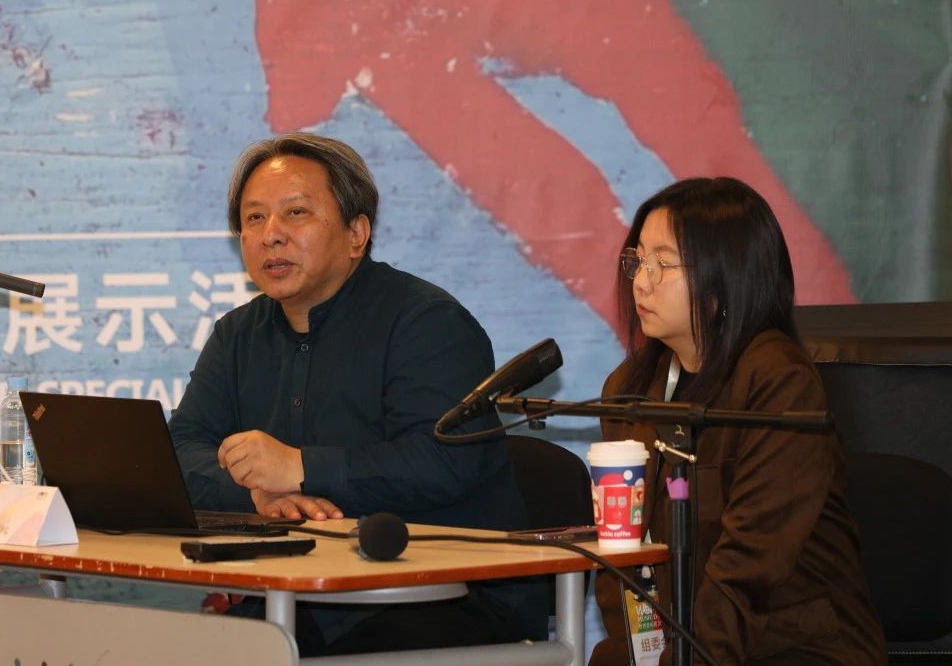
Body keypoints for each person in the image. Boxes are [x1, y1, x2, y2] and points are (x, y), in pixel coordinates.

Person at [169, 132, 548, 655]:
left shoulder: (428, 323)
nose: (271, 235)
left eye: (295, 213)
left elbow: (444, 460)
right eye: (254, 218)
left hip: (443, 597)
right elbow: (180, 447)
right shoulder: (237, 335)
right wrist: (257, 496)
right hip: (302, 592)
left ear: (356, 234)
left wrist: (301, 466)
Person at [589, 177, 885, 665]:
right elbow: (620, 552)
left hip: (792, 646)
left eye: (663, 263)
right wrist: (640, 654)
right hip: (678, 648)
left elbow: (750, 566)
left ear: (726, 274)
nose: (641, 280)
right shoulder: (629, 389)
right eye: (638, 260)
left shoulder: (778, 380)